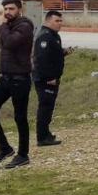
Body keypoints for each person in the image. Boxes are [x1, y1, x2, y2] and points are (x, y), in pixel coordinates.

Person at [0, 0, 35, 169]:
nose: (7, 12)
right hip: (5, 77)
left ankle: (23, 154)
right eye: (5, 9)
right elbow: (4, 52)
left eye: (11, 9)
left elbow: (11, 43)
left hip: (20, 79)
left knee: (20, 117)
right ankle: (5, 148)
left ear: (19, 9)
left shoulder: (25, 26)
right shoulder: (7, 27)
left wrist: (1, 27)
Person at [32, 10, 74, 146]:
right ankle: (42, 137)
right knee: (45, 107)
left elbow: (52, 54)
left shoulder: (53, 35)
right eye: (57, 21)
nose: (60, 24)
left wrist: (64, 52)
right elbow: (42, 59)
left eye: (61, 21)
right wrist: (49, 77)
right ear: (48, 21)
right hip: (45, 79)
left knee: (49, 107)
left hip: (52, 78)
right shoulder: (45, 36)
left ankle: (46, 133)